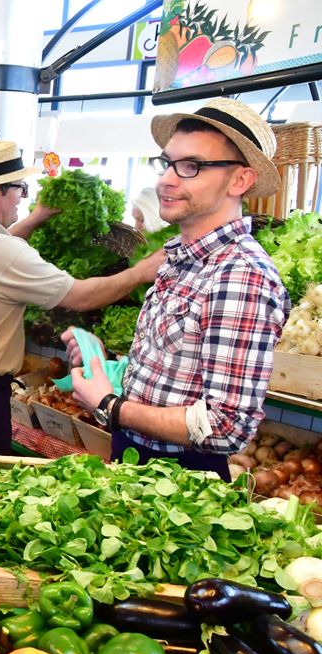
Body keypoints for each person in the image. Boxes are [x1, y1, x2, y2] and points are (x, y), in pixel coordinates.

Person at [66, 98, 289, 478]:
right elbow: (175, 376)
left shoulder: (240, 275)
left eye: (192, 167)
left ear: (240, 180)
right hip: (136, 461)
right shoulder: (179, 259)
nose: (167, 179)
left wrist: (108, 404)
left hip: (183, 481)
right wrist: (102, 363)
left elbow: (224, 426)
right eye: (167, 163)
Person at [0, 140, 162, 455]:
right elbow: (79, 297)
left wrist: (35, 219)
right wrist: (140, 272)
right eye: (20, 188)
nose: (24, 198)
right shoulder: (3, 250)